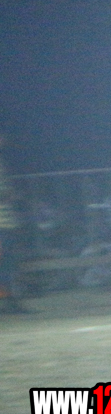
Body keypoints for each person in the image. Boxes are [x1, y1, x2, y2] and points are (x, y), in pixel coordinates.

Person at [0, 134, 27, 314]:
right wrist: (10, 195)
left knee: (7, 264)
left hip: (6, 222)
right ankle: (6, 301)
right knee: (4, 264)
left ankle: (8, 300)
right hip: (2, 223)